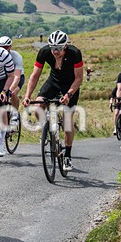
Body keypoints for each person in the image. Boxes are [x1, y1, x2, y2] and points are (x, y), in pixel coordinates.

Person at [22, 30, 83, 171]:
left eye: (58, 48)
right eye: (53, 48)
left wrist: (68, 94)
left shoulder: (75, 53)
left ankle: (67, 156)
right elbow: (35, 75)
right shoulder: (44, 52)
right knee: (38, 106)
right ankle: (47, 129)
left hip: (71, 85)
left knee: (68, 121)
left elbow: (79, 78)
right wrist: (27, 95)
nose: (55, 51)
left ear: (65, 46)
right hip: (53, 82)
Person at [0, 36, 24, 127]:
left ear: (10, 47)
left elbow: (17, 77)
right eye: (1, 48)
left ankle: (15, 116)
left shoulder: (16, 57)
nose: (3, 50)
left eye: (6, 48)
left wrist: (8, 90)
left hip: (17, 77)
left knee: (12, 93)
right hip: (4, 77)